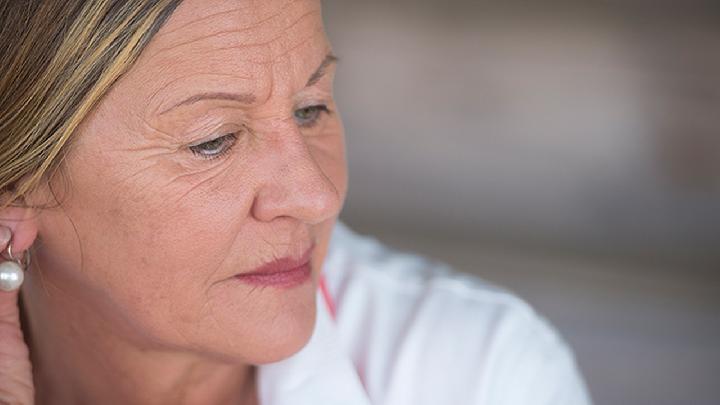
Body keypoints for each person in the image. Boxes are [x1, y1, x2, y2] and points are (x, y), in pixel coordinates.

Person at [0, 0, 592, 404]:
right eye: (214, 141)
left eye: (310, 108)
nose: (318, 195)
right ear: (15, 187)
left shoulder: (474, 373)